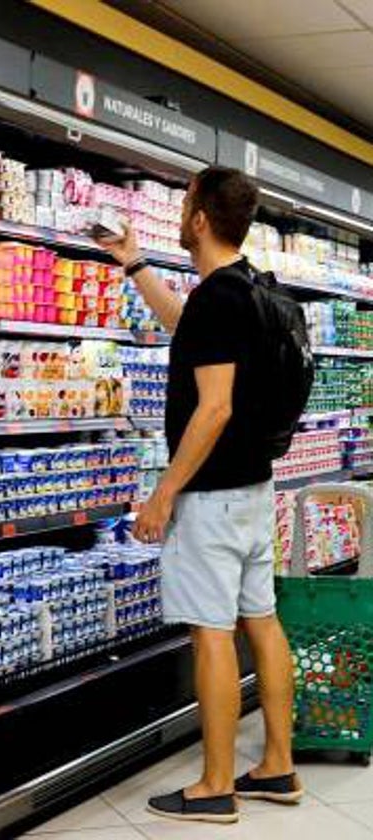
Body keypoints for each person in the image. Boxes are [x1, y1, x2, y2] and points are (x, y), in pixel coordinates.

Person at [97, 166, 303, 825]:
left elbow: (212, 410)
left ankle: (215, 784)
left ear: (200, 221)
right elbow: (188, 328)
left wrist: (162, 495)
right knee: (261, 622)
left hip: (212, 498)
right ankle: (277, 766)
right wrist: (134, 266)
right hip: (254, 488)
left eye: (185, 204)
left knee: (211, 634)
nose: (181, 213)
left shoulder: (221, 298)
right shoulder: (254, 291)